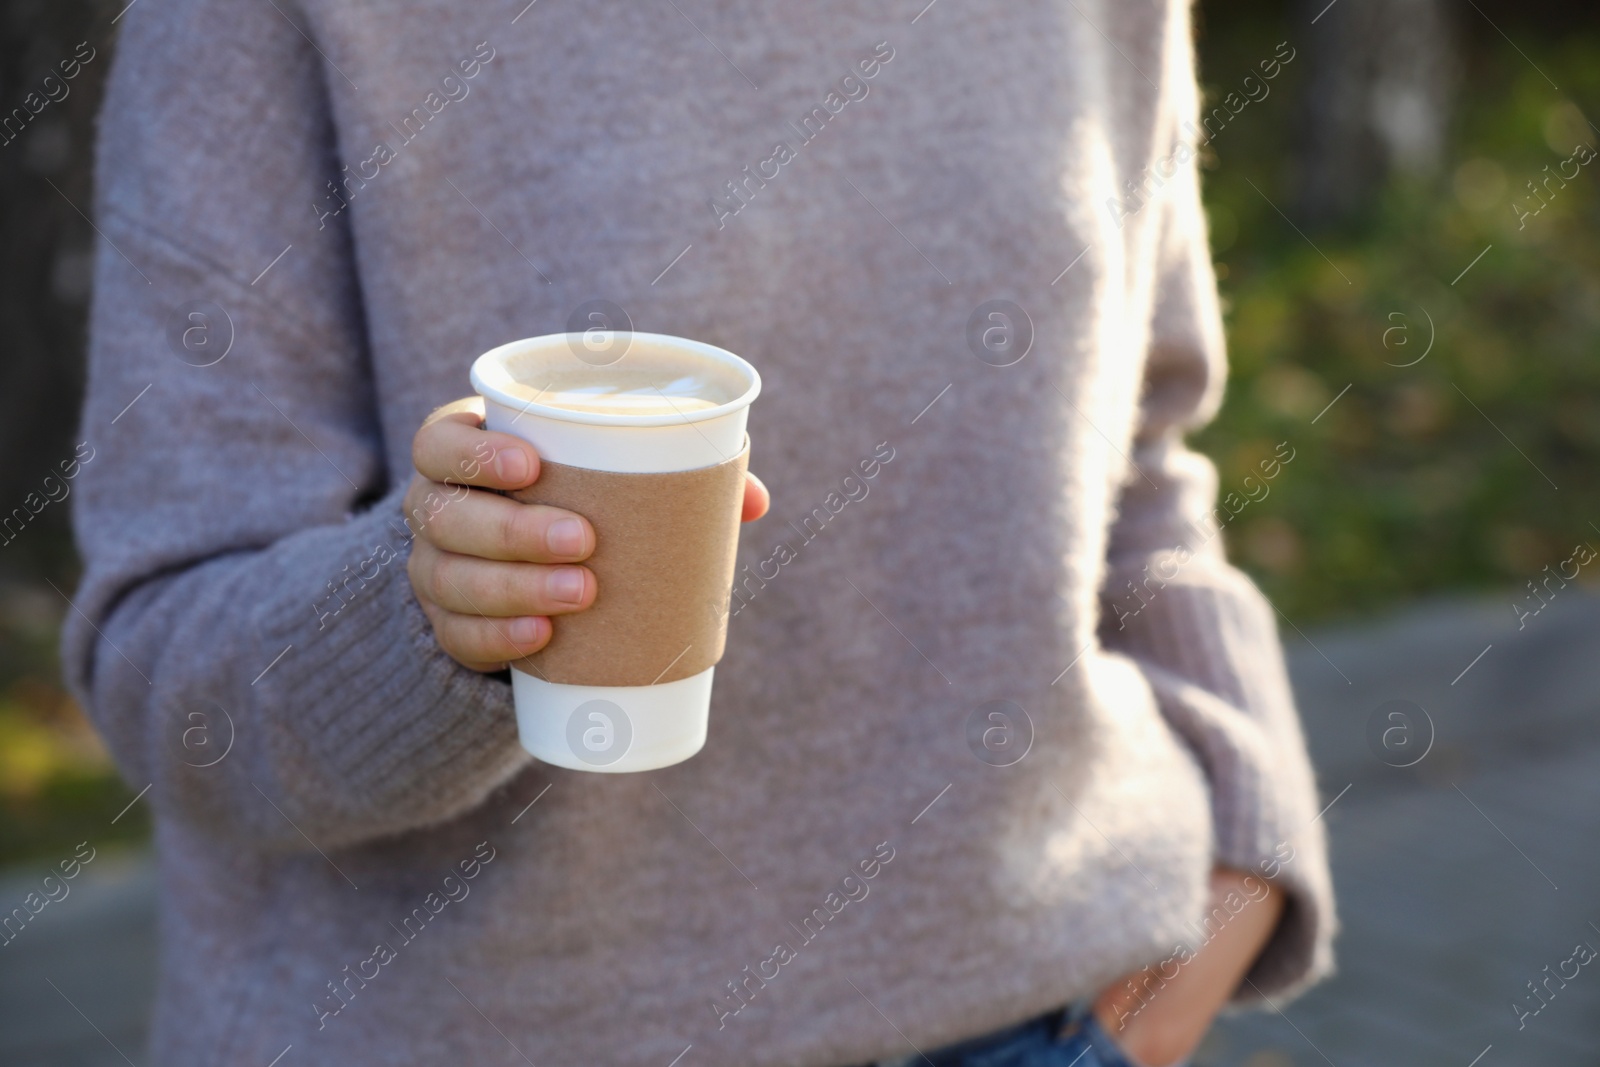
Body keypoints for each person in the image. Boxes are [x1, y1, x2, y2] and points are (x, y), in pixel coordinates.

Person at [64, 2, 1335, 1065]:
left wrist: (1242, 859)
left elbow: (1144, 456)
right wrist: (438, 615)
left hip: (1040, 1025)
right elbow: (168, 656)